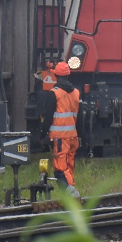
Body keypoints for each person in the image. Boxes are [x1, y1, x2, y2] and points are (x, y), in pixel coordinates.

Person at [48, 60, 81, 197]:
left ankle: (71, 195)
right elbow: (80, 117)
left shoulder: (54, 93)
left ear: (56, 76)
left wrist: (43, 134)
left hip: (60, 138)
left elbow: (49, 115)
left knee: (60, 170)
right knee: (69, 167)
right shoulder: (76, 93)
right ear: (68, 75)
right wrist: (80, 135)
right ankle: (72, 193)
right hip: (73, 137)